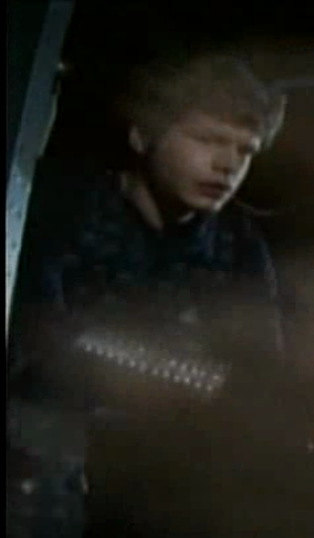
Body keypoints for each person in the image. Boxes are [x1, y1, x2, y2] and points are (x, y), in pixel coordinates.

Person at [7, 52, 287, 537]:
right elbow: (37, 341)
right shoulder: (60, 203)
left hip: (159, 466)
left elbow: (259, 379)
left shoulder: (239, 246)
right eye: (208, 140)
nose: (228, 165)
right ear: (142, 135)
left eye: (245, 151)